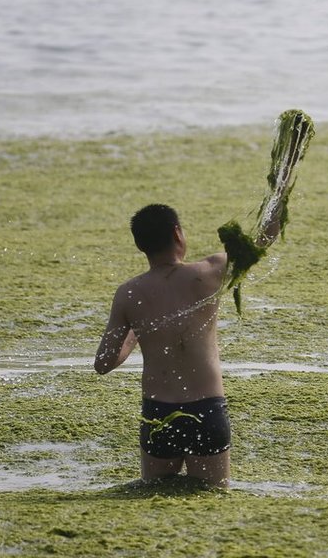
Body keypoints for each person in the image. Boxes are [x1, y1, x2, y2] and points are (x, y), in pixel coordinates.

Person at [95, 204, 242, 487]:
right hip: (206, 411)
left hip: (158, 415)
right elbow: (262, 241)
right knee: (211, 500)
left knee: (154, 499)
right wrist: (283, 183)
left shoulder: (129, 293)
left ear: (140, 245)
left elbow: (103, 363)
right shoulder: (209, 272)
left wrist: (139, 329)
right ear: (178, 234)